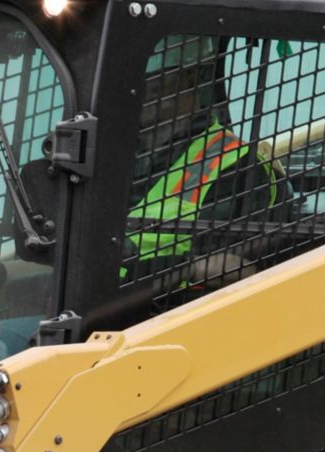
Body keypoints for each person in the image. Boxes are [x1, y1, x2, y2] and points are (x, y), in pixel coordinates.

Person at [121, 35, 285, 280]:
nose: (134, 90)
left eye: (148, 80)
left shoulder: (237, 168)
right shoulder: (119, 154)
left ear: (189, 77)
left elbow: (227, 270)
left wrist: (141, 274)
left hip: (162, 301)